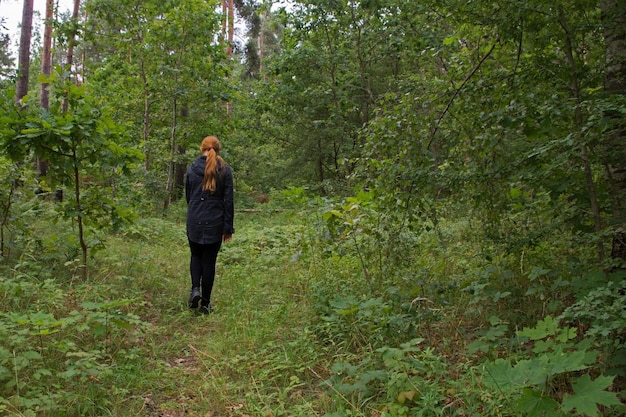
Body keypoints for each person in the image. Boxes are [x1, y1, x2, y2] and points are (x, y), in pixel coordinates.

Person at [185, 136, 234, 314]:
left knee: (195, 255)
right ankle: (205, 305)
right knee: (209, 262)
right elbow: (228, 201)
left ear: (202, 148)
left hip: (194, 219)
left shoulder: (192, 168)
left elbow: (188, 197)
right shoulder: (225, 170)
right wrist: (228, 228)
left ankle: (195, 289)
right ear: (218, 149)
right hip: (215, 221)